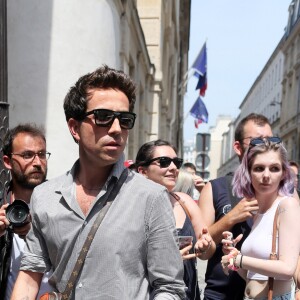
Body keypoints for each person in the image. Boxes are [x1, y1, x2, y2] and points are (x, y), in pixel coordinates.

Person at [11, 66, 186, 300]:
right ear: (74, 128)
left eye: (125, 120)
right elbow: (30, 276)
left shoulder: (150, 198)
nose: (116, 130)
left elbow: (170, 288)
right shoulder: (44, 196)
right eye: (103, 117)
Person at [198, 113, 273, 300]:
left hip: (270, 293)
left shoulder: (284, 192)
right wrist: (231, 217)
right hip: (221, 294)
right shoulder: (215, 188)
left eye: (271, 141)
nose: (266, 147)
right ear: (238, 147)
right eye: (257, 141)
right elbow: (201, 250)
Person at [134, 139, 216, 300]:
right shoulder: (131, 207)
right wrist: (167, 260)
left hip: (187, 292)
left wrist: (205, 245)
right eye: (164, 162)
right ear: (143, 171)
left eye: (176, 162)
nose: (173, 168)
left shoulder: (184, 202)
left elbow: (208, 253)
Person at [221, 137, 300, 299]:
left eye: (274, 168)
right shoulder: (259, 213)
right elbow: (254, 275)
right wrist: (233, 258)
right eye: (258, 168)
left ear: (284, 173)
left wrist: (240, 260)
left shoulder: (287, 206)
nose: (266, 175)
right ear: (248, 172)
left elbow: (287, 269)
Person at [0, 123, 52, 300]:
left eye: (42, 154)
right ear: (7, 161)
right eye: (27, 155)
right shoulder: (1, 206)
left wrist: (40, 233)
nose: (37, 163)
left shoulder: (63, 205)